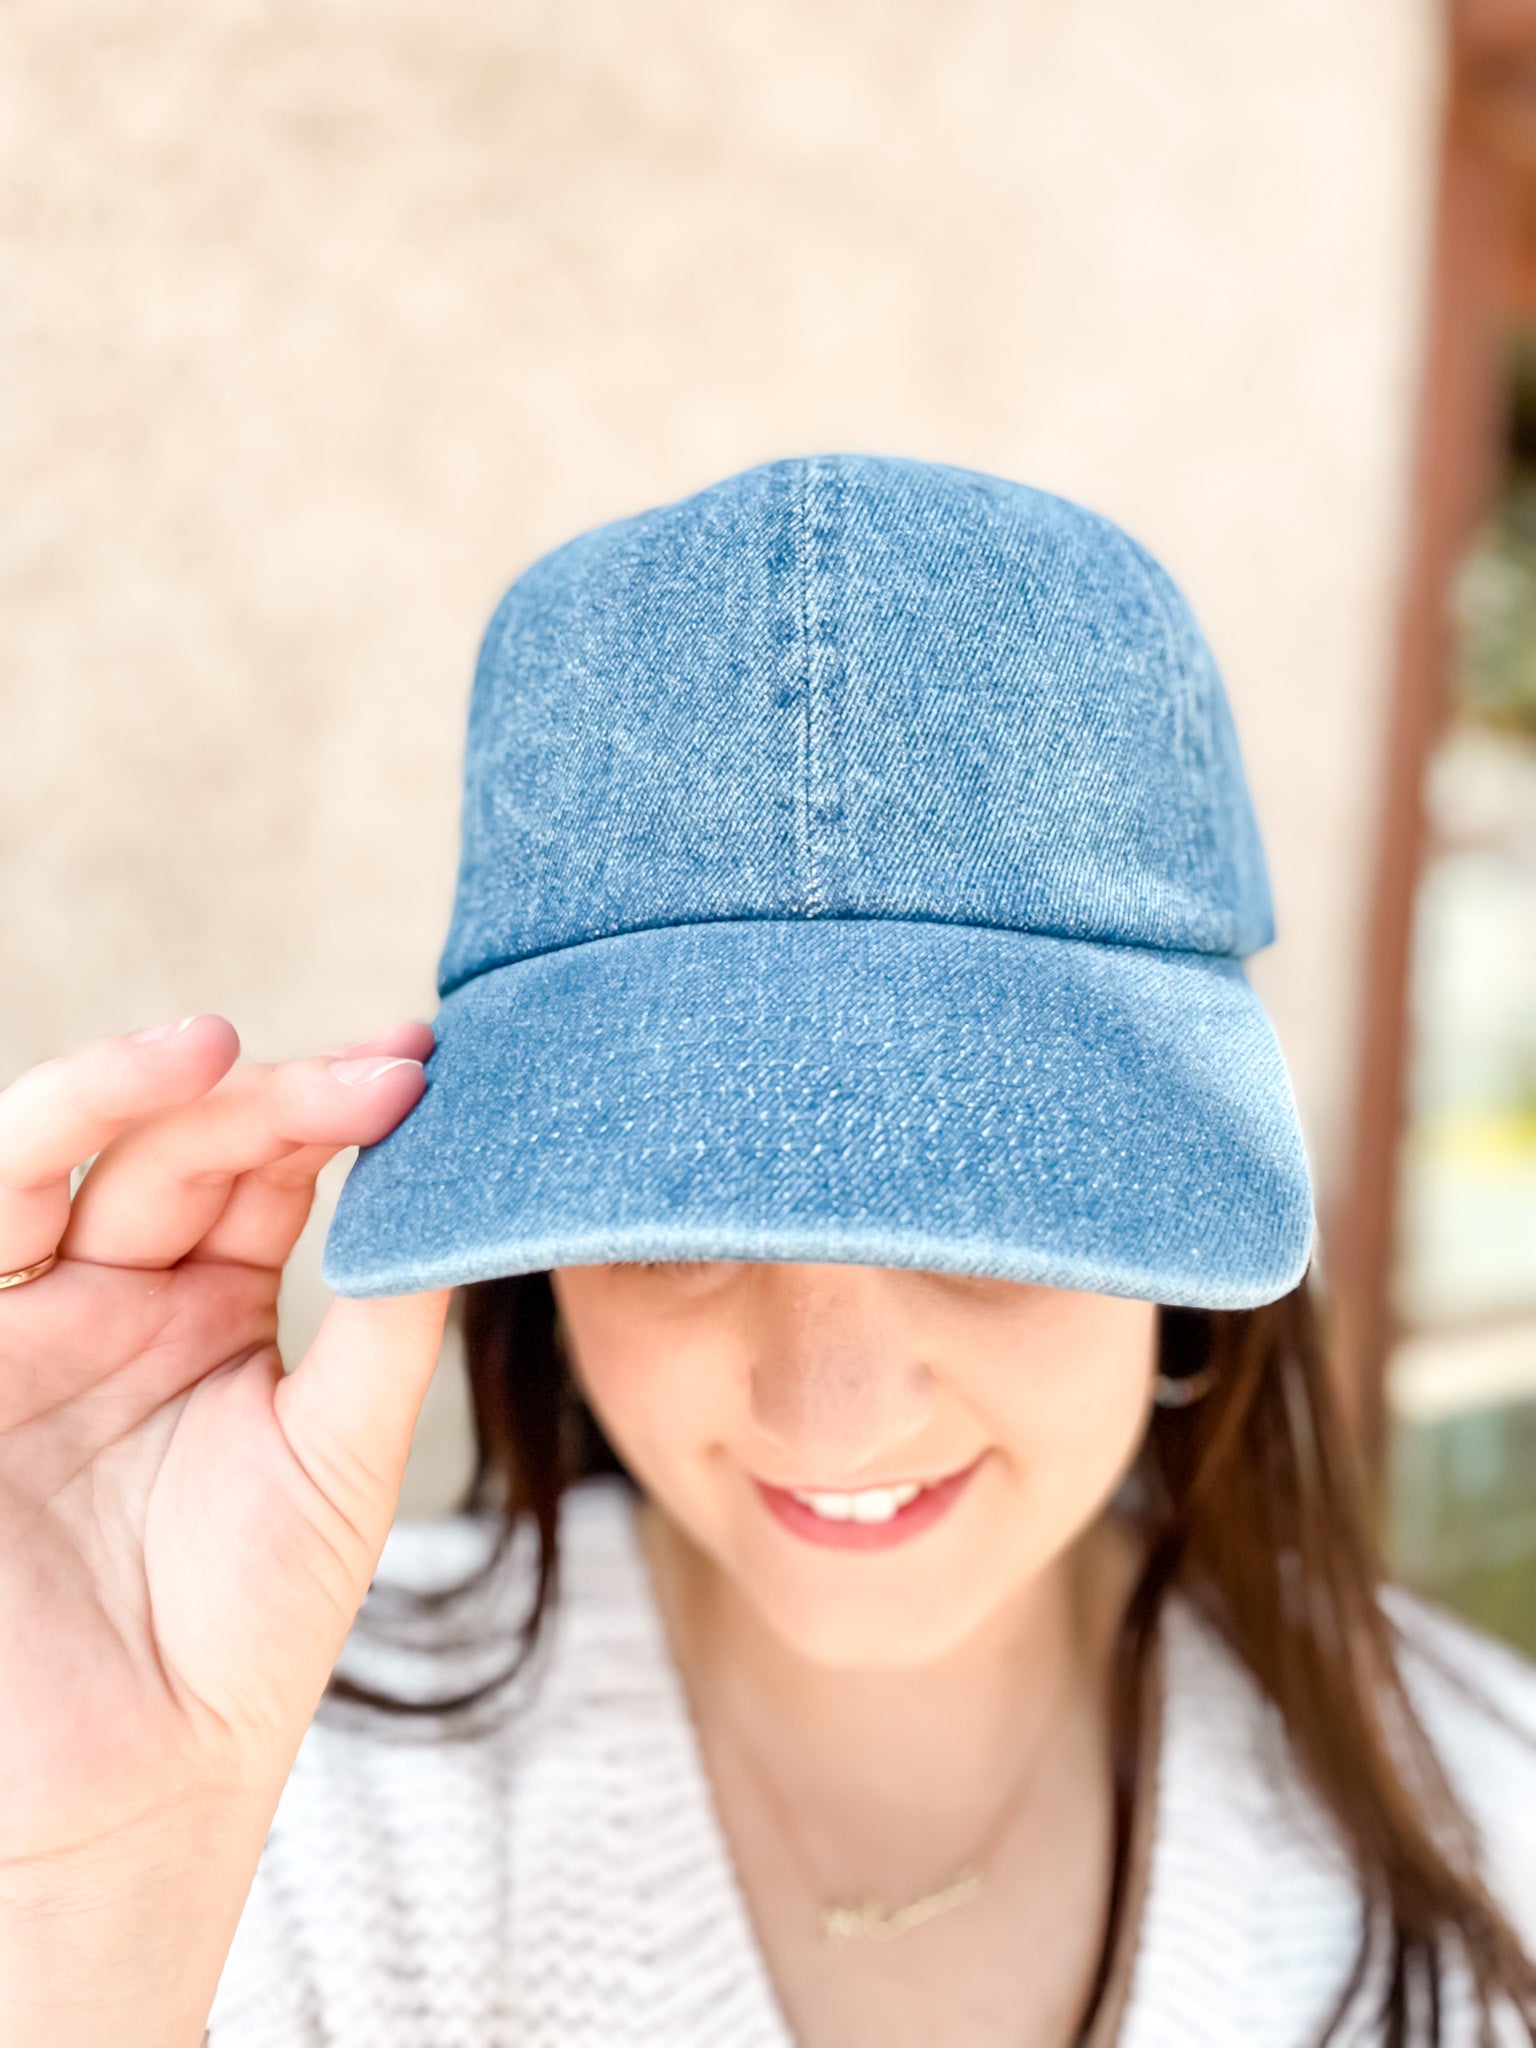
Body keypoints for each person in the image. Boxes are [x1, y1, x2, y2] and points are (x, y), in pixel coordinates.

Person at [1, 456, 1532, 2048]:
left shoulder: (1492, 1832)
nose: (830, 1410)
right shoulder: (264, 1786)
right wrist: (93, 1906)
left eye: (973, 1185)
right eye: (687, 1218)